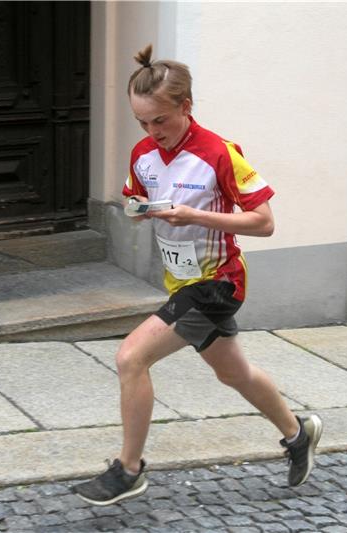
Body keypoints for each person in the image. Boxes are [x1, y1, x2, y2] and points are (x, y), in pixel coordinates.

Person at [72, 44, 322, 507]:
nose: (152, 131)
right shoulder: (144, 153)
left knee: (132, 358)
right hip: (180, 280)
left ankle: (128, 470)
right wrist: (141, 211)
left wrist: (195, 215)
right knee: (235, 373)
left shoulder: (220, 154)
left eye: (160, 121)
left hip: (219, 282)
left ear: (185, 107)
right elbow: (132, 201)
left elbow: (264, 222)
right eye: (142, 122)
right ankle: (297, 434)